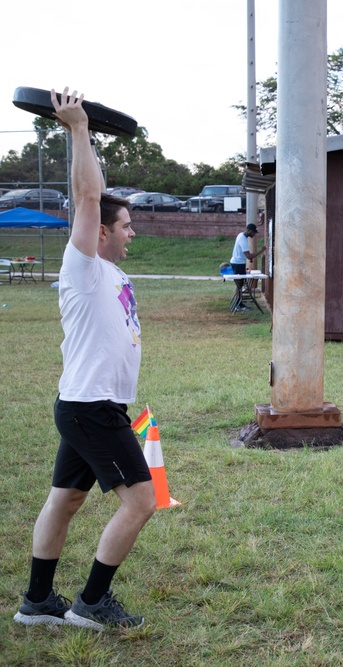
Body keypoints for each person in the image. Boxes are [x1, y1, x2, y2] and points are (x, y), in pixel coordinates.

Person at [13, 89, 156, 631]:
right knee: (141, 501)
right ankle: (91, 604)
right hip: (91, 407)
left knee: (65, 500)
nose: (131, 231)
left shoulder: (113, 274)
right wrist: (77, 129)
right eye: (125, 226)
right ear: (98, 231)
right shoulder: (83, 264)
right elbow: (89, 196)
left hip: (89, 404)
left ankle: (36, 601)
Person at [229, 221, 267, 311]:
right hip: (238, 264)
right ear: (249, 230)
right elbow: (249, 256)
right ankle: (238, 304)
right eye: (254, 232)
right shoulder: (243, 240)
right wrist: (261, 250)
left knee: (239, 285)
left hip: (237, 262)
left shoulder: (240, 235)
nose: (254, 234)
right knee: (239, 285)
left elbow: (244, 254)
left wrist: (248, 257)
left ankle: (238, 303)